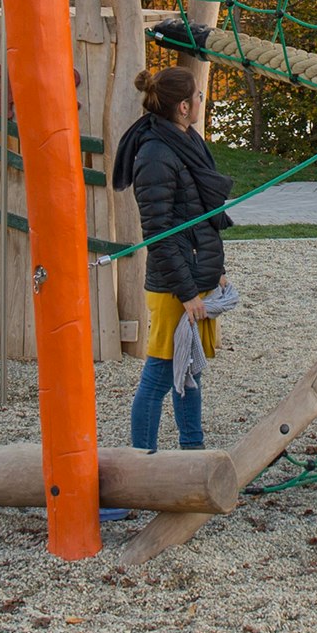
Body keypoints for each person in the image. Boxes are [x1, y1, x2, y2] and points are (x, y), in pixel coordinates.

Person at [113, 63, 231, 452]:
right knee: (160, 376)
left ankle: (192, 453)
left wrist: (217, 270)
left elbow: (197, 212)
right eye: (198, 96)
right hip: (173, 288)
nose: (202, 101)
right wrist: (186, 293)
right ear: (183, 106)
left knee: (189, 371)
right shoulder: (155, 155)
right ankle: (139, 462)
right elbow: (160, 235)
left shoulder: (186, 141)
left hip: (195, 275)